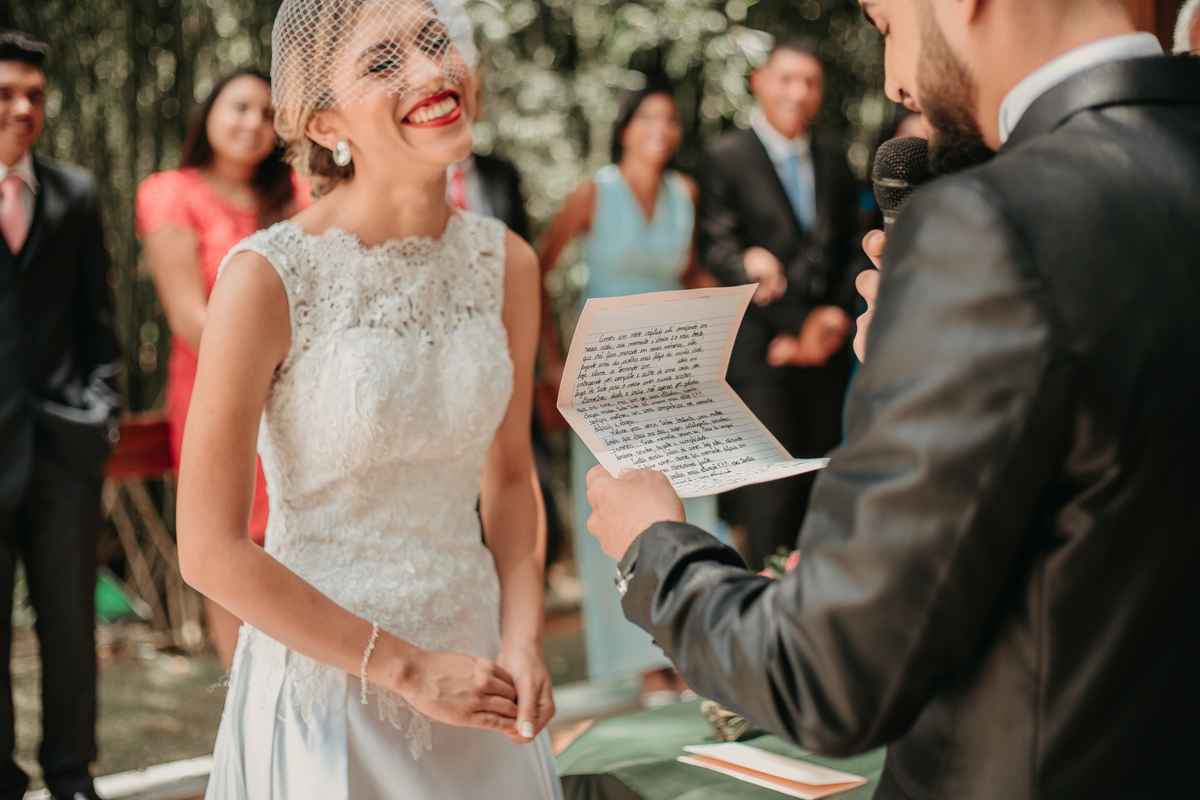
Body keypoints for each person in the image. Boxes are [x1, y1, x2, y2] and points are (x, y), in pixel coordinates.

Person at [584, 0, 1200, 797]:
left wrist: (656, 547)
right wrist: (931, 359)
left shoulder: (988, 225)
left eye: (884, 23)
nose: (895, 79)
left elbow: (826, 673)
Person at [175, 0, 561, 797]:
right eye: (384, 63)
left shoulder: (508, 264)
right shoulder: (266, 278)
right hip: (332, 696)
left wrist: (523, 639)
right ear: (323, 123)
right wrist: (408, 669)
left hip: (483, 678)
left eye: (433, 42)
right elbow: (209, 549)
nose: (431, 71)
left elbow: (513, 480)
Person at [538, 79, 719, 704]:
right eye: (649, 119)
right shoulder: (594, 192)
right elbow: (539, 267)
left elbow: (690, 273)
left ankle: (688, 643)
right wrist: (553, 361)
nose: (661, 131)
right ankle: (641, 664)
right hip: (607, 377)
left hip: (671, 370)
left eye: (671, 120)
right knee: (615, 509)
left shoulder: (685, 193)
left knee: (688, 497)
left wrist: (737, 292)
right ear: (625, 127)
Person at [136, 70, 311, 668]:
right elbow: (189, 317)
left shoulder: (300, 189)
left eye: (267, 113)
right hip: (215, 392)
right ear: (208, 112)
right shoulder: (170, 193)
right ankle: (248, 701)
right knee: (230, 541)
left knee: (303, 536)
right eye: (239, 107)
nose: (253, 124)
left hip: (304, 393)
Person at [0, 30, 120, 800]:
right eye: (6, 93)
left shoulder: (74, 195)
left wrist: (101, 410)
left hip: (62, 453)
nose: (22, 108)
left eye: (34, 95)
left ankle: (73, 778)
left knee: (71, 631)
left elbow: (99, 323)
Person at [696, 36, 868, 572]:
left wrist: (833, 319)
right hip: (762, 357)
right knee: (771, 501)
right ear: (759, 83)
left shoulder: (837, 162)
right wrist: (794, 328)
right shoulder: (724, 159)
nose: (799, 92)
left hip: (829, 355)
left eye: (811, 82)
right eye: (787, 78)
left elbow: (852, 251)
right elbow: (719, 248)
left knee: (823, 498)